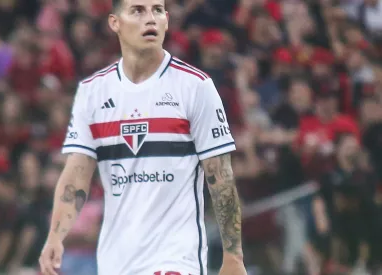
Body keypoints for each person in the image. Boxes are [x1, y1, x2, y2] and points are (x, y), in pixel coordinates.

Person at [38, 0, 247, 274]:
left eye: (157, 10)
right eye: (138, 10)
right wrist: (55, 235)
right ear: (115, 23)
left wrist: (233, 256)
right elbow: (77, 173)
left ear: (167, 21)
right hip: (116, 261)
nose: (150, 19)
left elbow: (220, 176)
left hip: (175, 259)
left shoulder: (196, 86)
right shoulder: (93, 92)